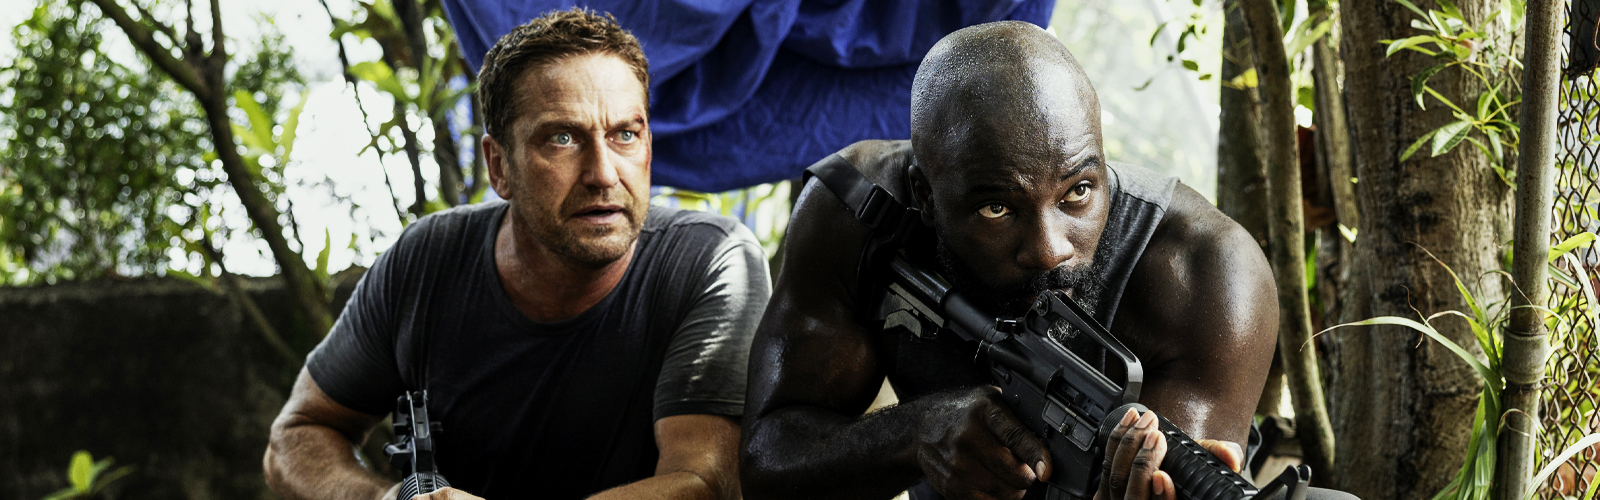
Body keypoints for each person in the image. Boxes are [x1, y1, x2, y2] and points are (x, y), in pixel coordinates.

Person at [740, 21, 1352, 500]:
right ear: (924, 196)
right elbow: (769, 464)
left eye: (1077, 192)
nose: (1049, 248)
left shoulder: (1206, 272)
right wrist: (916, 432)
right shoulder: (861, 212)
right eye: (997, 209)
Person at [263, 8, 768, 500]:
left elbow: (705, 482)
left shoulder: (709, 261)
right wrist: (393, 497)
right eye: (562, 138)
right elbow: (298, 435)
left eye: (625, 135)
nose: (603, 173)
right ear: (499, 166)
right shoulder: (426, 260)